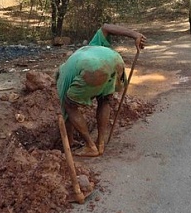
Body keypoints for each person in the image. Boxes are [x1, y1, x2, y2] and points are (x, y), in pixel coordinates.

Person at [56, 23, 146, 157]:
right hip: (115, 61)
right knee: (105, 100)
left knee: (70, 105)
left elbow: (66, 115)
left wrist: (69, 141)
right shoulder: (93, 45)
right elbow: (106, 27)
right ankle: (101, 143)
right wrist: (136, 35)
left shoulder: (62, 78)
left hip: (92, 68)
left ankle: (90, 146)